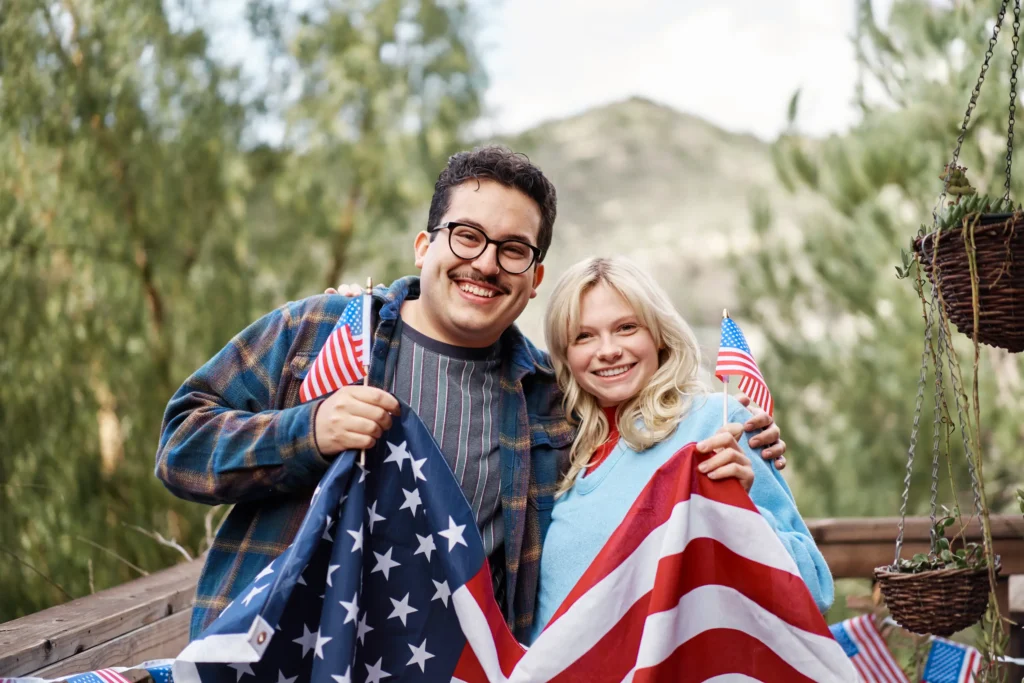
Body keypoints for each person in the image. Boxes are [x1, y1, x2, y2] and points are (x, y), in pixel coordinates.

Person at [155, 146, 787, 643]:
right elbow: (181, 445)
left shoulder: (548, 397)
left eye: (513, 250)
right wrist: (308, 430)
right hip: (281, 656)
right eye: (467, 236)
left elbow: (636, 467)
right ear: (426, 244)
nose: (485, 264)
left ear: (534, 278)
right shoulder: (318, 331)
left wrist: (740, 460)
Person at [529, 256, 831, 643]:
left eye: (626, 327)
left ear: (657, 333)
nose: (608, 350)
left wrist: (744, 514)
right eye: (584, 336)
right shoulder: (560, 444)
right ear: (565, 354)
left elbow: (813, 588)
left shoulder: (713, 423)